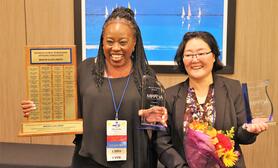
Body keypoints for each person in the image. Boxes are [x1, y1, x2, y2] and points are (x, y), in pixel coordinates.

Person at [21, 7, 170, 168]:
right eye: (109, 41)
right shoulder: (86, 69)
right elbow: (68, 107)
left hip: (133, 161)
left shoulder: (146, 75)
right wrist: (38, 110)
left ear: (134, 43)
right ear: (102, 41)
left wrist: (157, 117)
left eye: (123, 42)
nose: (115, 48)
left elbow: (154, 122)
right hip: (88, 160)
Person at [156, 31, 268, 168]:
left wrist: (249, 130)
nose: (195, 59)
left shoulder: (233, 88)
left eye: (201, 53)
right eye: (189, 55)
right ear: (182, 59)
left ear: (214, 56)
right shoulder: (169, 95)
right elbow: (162, 141)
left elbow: (241, 136)